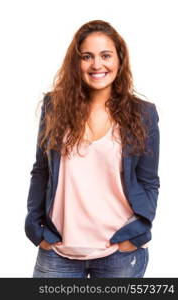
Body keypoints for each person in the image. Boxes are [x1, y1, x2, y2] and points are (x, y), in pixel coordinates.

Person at [25, 20, 160, 278]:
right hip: (58, 249)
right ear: (76, 63)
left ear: (119, 60)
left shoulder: (142, 113)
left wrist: (139, 232)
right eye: (87, 56)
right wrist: (35, 228)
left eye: (105, 55)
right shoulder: (54, 106)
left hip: (120, 252)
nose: (97, 65)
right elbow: (41, 171)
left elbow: (149, 181)